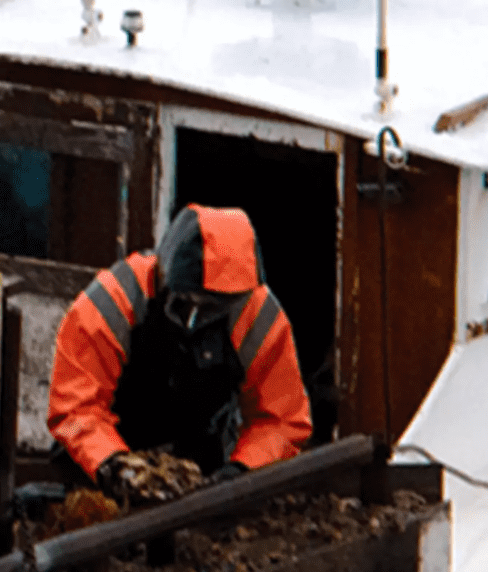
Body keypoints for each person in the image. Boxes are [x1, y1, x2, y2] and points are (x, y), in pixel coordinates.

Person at [47, 205, 311, 504]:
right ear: (165, 273)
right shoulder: (112, 302)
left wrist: (240, 471)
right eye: (187, 303)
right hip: (102, 472)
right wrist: (115, 466)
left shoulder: (257, 313)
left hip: (199, 474)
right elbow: (76, 407)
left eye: (213, 307)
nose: (196, 317)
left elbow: (281, 420)